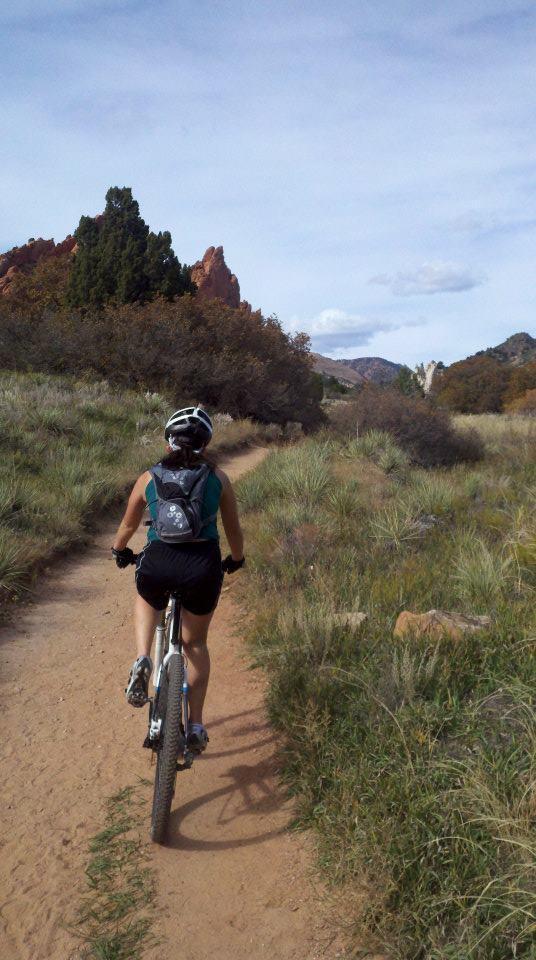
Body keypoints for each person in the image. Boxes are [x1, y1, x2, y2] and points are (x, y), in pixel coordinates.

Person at [111, 406, 245, 754]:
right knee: (195, 645)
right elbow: (233, 529)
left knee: (145, 596)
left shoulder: (149, 476)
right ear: (206, 442)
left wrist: (119, 550)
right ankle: (197, 725)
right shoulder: (218, 478)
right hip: (202, 566)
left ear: (168, 440)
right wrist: (237, 559)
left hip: (159, 561)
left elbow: (127, 525)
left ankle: (143, 658)